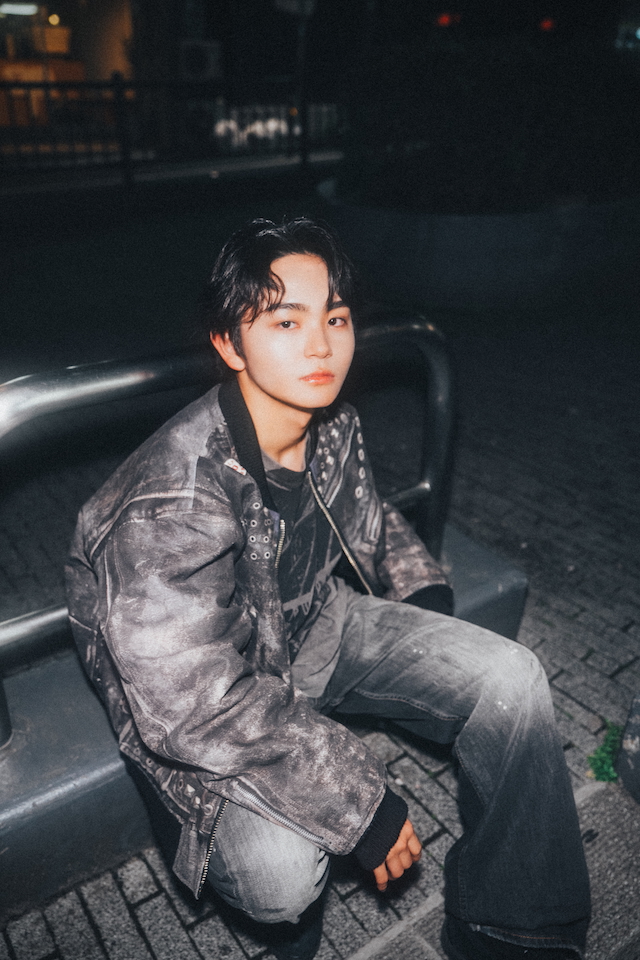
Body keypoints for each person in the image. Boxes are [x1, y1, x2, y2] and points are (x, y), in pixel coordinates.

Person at [65, 217, 590, 960]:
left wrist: (425, 609)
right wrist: (361, 802)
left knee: (510, 677)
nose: (321, 345)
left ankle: (510, 930)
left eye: (335, 318)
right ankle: (217, 850)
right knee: (282, 876)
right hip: (208, 702)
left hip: (316, 624)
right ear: (230, 344)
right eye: (286, 321)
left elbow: (371, 521)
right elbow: (191, 701)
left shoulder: (332, 422)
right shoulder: (169, 502)